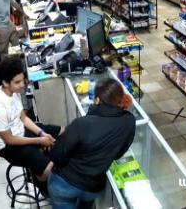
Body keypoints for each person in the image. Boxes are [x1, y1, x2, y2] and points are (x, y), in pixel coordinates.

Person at [48, 78, 136, 209]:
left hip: (65, 184)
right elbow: (118, 154)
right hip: (93, 188)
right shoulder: (129, 121)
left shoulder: (82, 124)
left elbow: (57, 155)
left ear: (97, 100)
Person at [0, 57, 64, 183]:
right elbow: (9, 140)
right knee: (49, 169)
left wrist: (42, 134)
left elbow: (24, 118)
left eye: (22, 80)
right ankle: (38, 180)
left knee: (62, 132)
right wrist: (40, 140)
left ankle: (41, 161)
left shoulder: (14, 92)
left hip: (21, 130)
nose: (22, 85)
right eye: (17, 82)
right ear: (5, 83)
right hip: (9, 147)